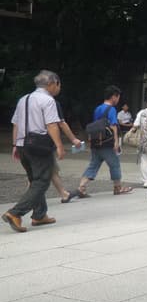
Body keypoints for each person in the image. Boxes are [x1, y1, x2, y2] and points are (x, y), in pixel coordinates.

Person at [4, 70, 64, 232]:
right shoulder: (48, 100)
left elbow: (15, 124)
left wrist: (15, 145)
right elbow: (52, 125)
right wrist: (59, 145)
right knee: (42, 181)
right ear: (52, 84)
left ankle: (39, 215)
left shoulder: (23, 99)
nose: (59, 88)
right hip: (39, 146)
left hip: (23, 145)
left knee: (35, 179)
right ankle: (15, 213)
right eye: (59, 84)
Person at [77, 85, 133, 197]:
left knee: (93, 165)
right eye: (118, 97)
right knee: (115, 164)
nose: (118, 100)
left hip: (96, 142)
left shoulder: (98, 108)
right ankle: (118, 187)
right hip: (107, 143)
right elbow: (113, 126)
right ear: (113, 97)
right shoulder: (111, 109)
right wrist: (116, 142)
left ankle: (81, 187)